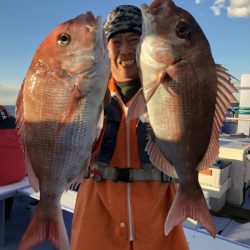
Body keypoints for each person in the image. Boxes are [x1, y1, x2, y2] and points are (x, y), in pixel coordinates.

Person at [70, 5, 189, 250]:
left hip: (158, 224)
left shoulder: (170, 89)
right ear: (105, 48)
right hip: (96, 221)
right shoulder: (84, 92)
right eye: (116, 42)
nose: (125, 50)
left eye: (134, 40)